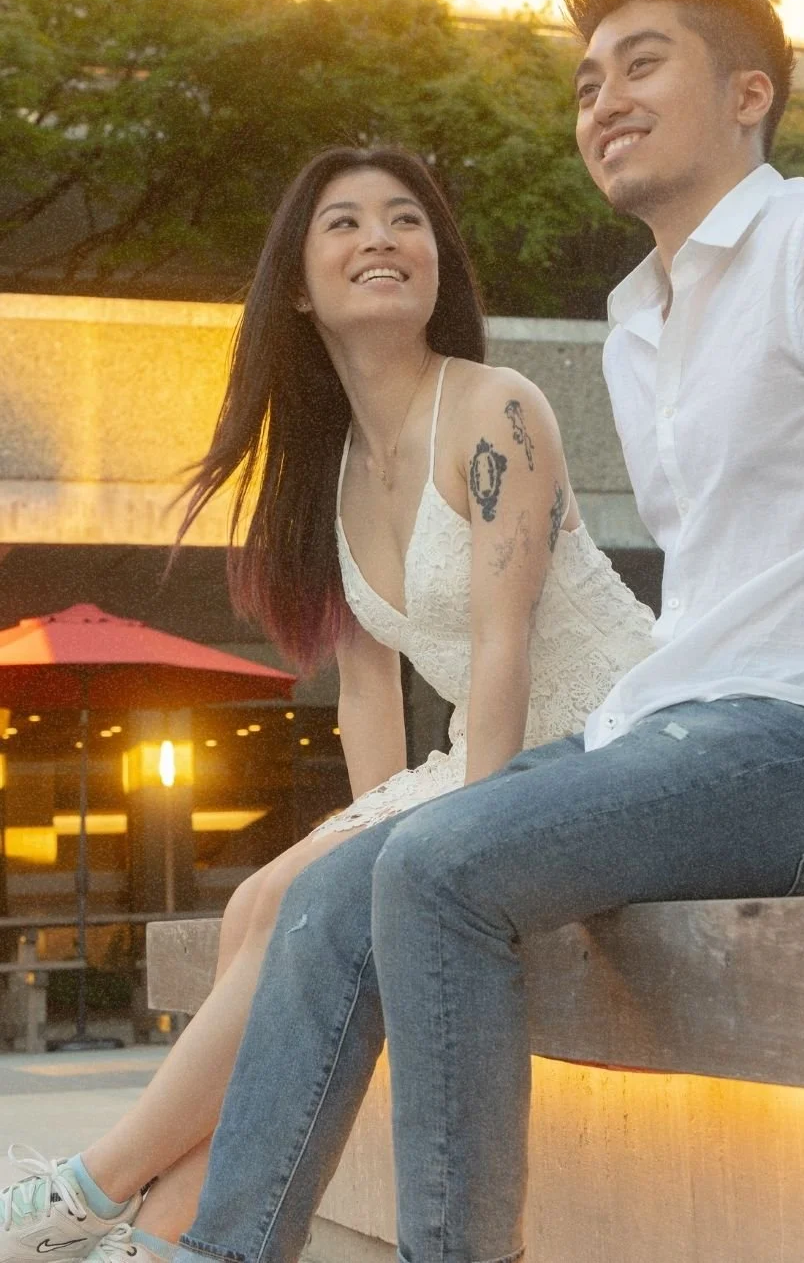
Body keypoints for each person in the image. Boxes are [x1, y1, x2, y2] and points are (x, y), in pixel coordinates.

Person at [16, 0, 804, 1263]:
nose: (604, 101)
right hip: (690, 726)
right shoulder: (642, 320)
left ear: (750, 94)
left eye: (645, 65)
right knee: (344, 885)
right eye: (586, 82)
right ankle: (223, 1247)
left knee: (439, 862)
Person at [0, 146, 654, 1263]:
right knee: (270, 901)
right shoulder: (333, 467)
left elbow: (502, 651)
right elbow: (366, 695)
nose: (382, 240)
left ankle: (101, 1184)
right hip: (480, 762)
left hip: (608, 738)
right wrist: (362, 863)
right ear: (300, 284)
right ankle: (159, 1231)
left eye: (406, 220)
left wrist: (435, 851)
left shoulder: (497, 406)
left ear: (439, 263)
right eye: (345, 224)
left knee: (299, 900)